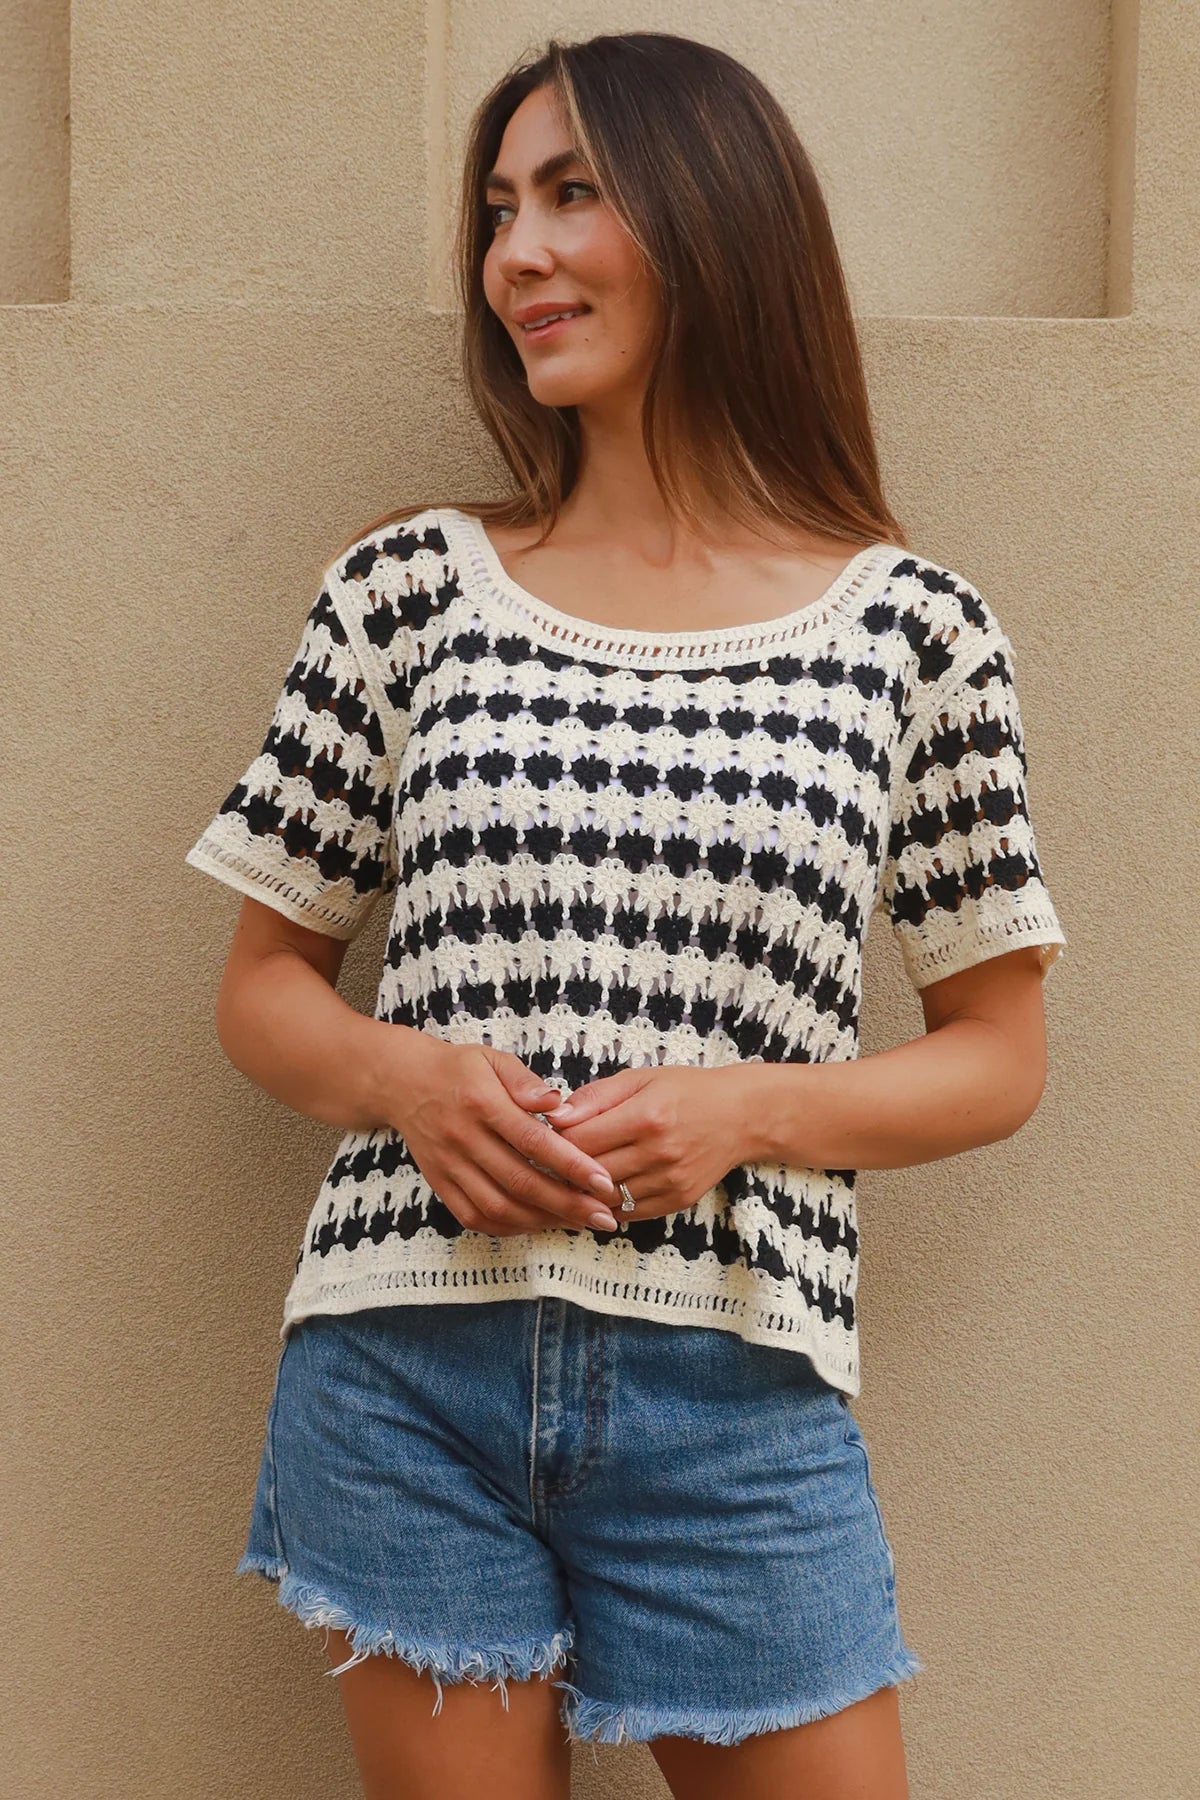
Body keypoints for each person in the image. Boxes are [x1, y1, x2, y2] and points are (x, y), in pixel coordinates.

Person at [185, 31, 1067, 1800]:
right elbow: (265, 987)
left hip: (737, 1391)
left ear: (718, 219)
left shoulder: (913, 632)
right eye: (500, 209)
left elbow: (1000, 1057)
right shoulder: (412, 589)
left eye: (572, 194)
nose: (514, 252)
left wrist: (752, 1108)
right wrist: (405, 1082)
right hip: (404, 1365)